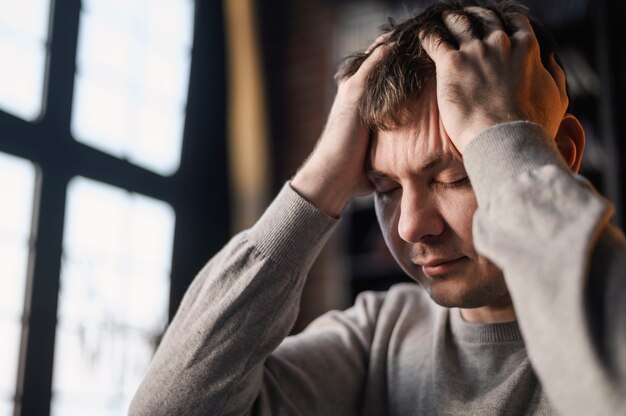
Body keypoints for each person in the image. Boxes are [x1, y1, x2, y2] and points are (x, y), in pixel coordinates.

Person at [130, 0, 626, 414]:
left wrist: (499, 137)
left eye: (456, 176)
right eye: (386, 189)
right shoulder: (377, 337)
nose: (411, 227)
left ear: (561, 155)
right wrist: (320, 177)